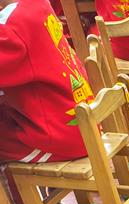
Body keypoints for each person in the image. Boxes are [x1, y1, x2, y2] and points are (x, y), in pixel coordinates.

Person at [0, 0, 92, 164]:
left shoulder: (9, 27)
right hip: (83, 124)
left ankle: (16, 180)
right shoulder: (39, 4)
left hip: (56, 138)